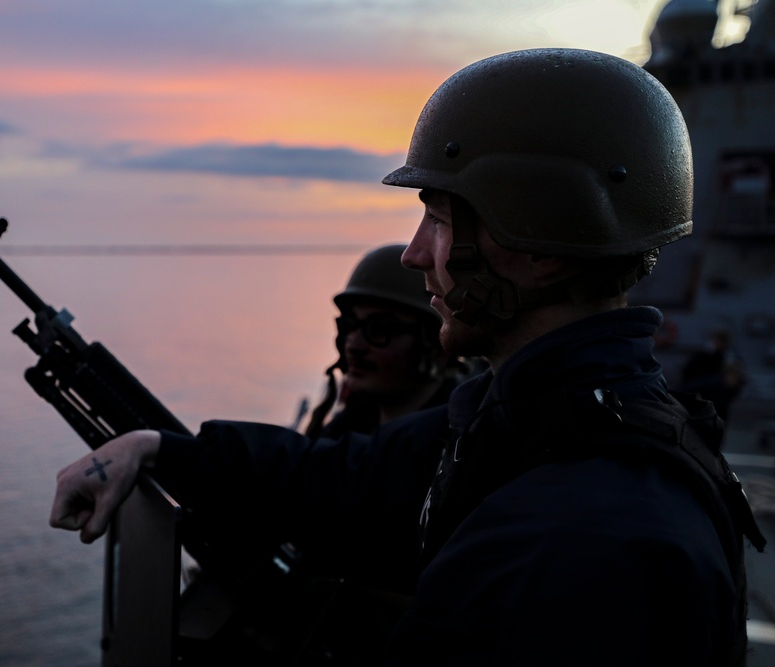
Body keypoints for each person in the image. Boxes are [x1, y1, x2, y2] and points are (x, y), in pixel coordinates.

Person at [50, 48, 766, 666]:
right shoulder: (532, 422)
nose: (418, 255)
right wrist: (159, 449)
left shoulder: (574, 542)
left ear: (537, 246)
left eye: (438, 217)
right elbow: (346, 479)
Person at [303, 243, 468, 441]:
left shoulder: (461, 442)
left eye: (379, 330)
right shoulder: (345, 430)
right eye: (350, 325)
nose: (353, 345)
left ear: (437, 348)